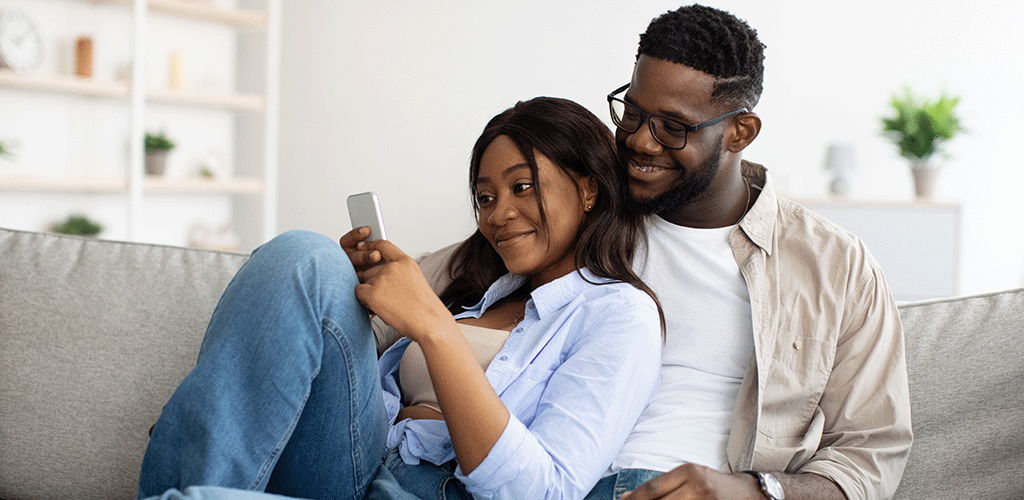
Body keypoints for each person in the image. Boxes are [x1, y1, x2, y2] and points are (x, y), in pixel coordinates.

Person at [136, 96, 664, 500]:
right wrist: (351, 295)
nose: (498, 214)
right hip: (358, 462)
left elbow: (543, 491)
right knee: (306, 258)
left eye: (521, 186)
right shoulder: (479, 293)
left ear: (589, 189)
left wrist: (433, 328)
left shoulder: (620, 315)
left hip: (428, 490)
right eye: (485, 197)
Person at [576, 4, 912, 500]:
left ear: (740, 132)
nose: (641, 142)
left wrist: (753, 492)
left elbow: (868, 457)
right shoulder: (582, 213)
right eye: (633, 113)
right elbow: (447, 290)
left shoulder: (838, 266)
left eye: (673, 126)